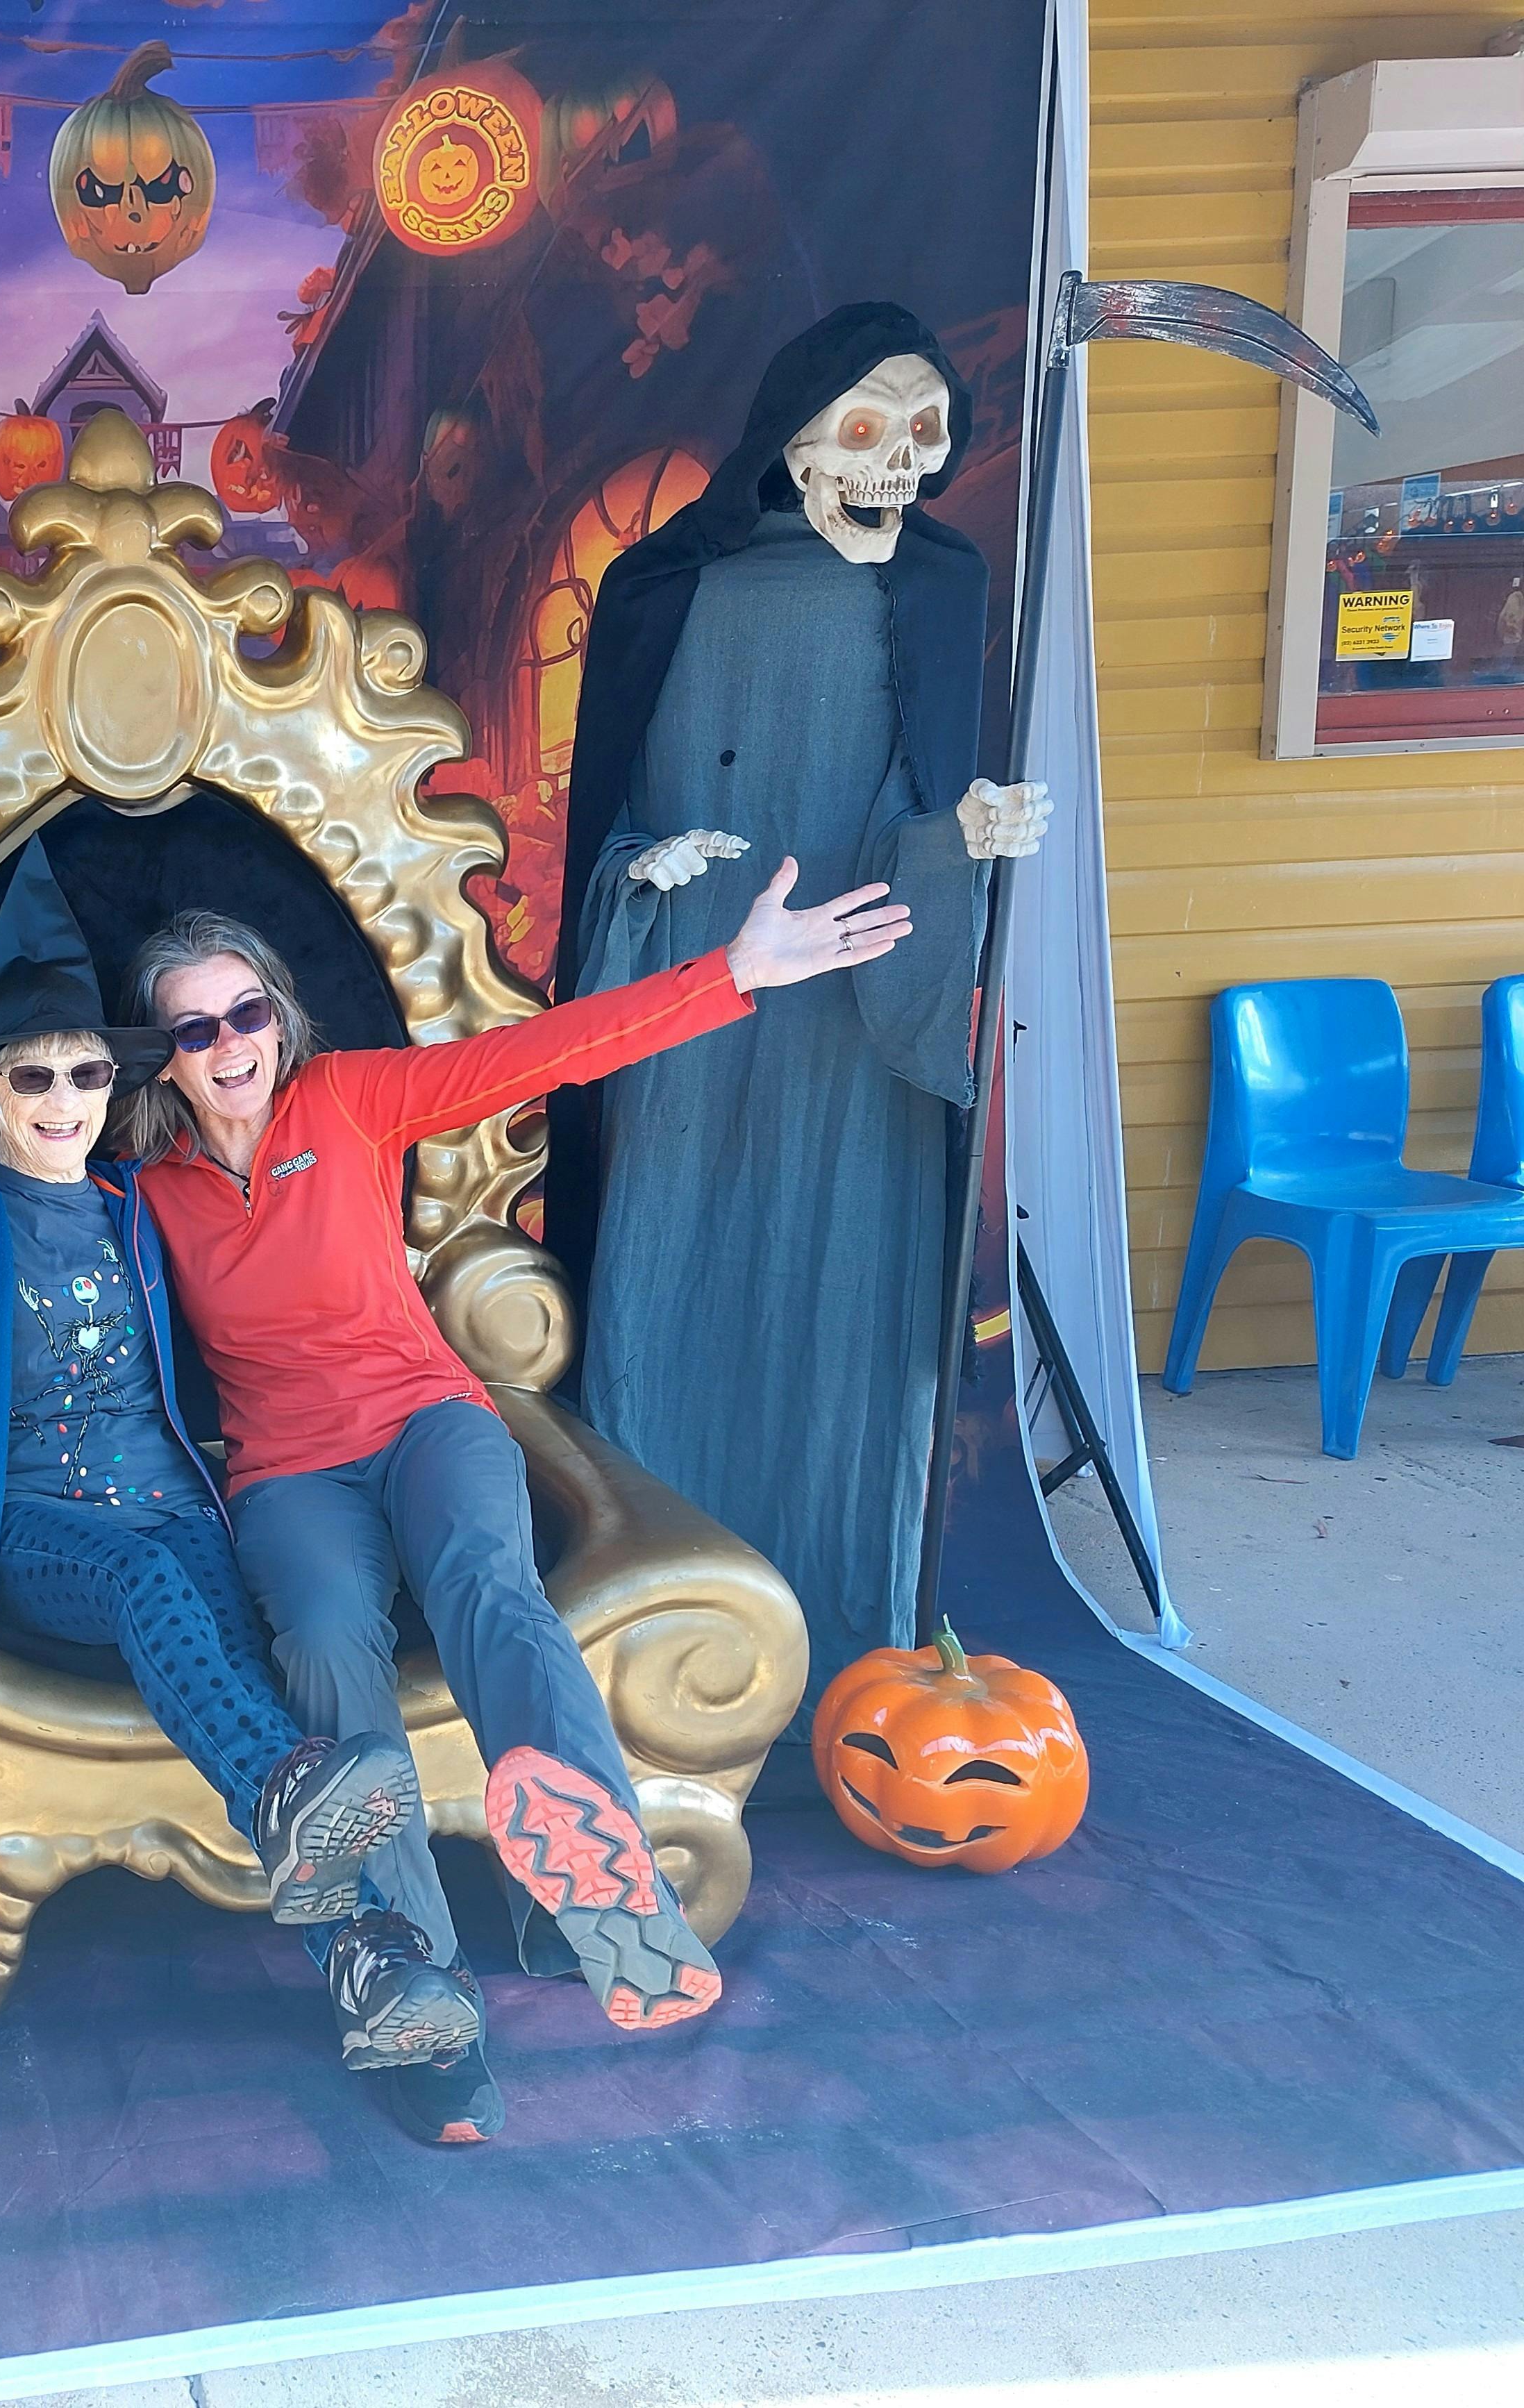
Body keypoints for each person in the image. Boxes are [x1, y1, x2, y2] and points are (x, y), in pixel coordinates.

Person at [126, 858, 911, 2143]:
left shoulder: (352, 1097)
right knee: (322, 1645)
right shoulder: (149, 1193)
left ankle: (604, 1895)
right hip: (286, 1470)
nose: (230, 1047)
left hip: (426, 1419)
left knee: (487, 1586)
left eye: (247, 1014)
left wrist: (731, 975)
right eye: (195, 1028)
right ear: (162, 1055)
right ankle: (410, 1987)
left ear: (280, 1015)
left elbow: (540, 1055)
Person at [0, 847, 478, 2075]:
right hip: (33, 1525)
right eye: (36, 1074)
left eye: (89, 1072)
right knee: (160, 1596)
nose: (66, 1097)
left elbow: (263, 1243)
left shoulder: (136, 1201)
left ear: (118, 1083)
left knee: (243, 1658)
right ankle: (286, 1792)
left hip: (174, 1502)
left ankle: (375, 1976)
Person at [548, 303, 1048, 1701]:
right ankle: (650, 1649)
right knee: (675, 1272)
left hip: (862, 1006)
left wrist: (970, 840)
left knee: (845, 1313)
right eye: (865, 429)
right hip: (700, 984)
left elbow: (925, 802)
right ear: (794, 438)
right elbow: (616, 814)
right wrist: (643, 874)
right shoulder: (666, 589)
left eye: (924, 430)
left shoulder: (944, 588)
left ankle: (843, 1655)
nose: (899, 463)